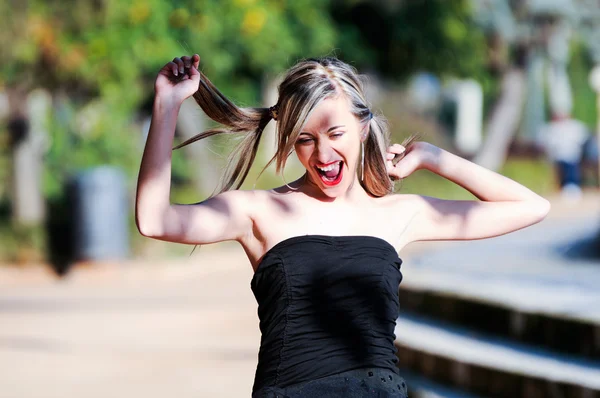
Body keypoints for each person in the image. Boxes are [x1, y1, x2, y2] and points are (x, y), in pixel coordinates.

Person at [136, 54, 551, 397]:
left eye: (335, 132)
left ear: (363, 127)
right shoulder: (258, 212)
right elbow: (155, 219)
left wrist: (430, 156)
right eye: (304, 139)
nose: (323, 153)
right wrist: (166, 105)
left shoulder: (398, 213)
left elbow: (530, 206)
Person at [540, 111, 590, 201]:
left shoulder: (574, 126)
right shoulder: (553, 127)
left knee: (571, 173)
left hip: (572, 154)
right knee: (561, 174)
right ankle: (564, 189)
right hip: (559, 156)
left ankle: (573, 189)